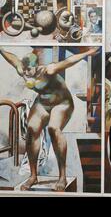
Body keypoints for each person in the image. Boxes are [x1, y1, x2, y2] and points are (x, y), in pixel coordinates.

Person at [0, 46, 99, 191]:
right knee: (32, 128)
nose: (27, 73)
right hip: (43, 103)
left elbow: (69, 61)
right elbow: (11, 57)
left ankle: (62, 176)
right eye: (25, 70)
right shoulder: (22, 69)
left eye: (30, 70)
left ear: (36, 67)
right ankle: (33, 176)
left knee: (53, 128)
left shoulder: (48, 70)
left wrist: (89, 52)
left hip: (62, 103)